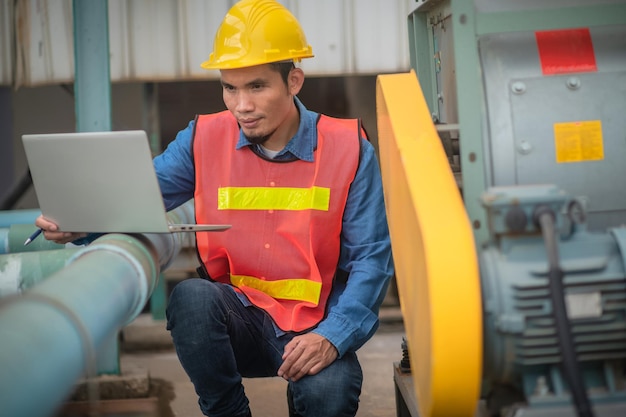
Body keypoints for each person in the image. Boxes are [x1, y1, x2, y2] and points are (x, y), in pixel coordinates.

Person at [35, 0, 394, 416]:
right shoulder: (203, 138)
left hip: (314, 325)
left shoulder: (349, 149)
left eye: (256, 86)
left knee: (328, 396)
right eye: (230, 87)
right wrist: (77, 220)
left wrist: (333, 337)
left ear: (293, 81)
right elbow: (139, 194)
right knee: (190, 299)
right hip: (236, 318)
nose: (240, 105)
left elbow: (371, 260)